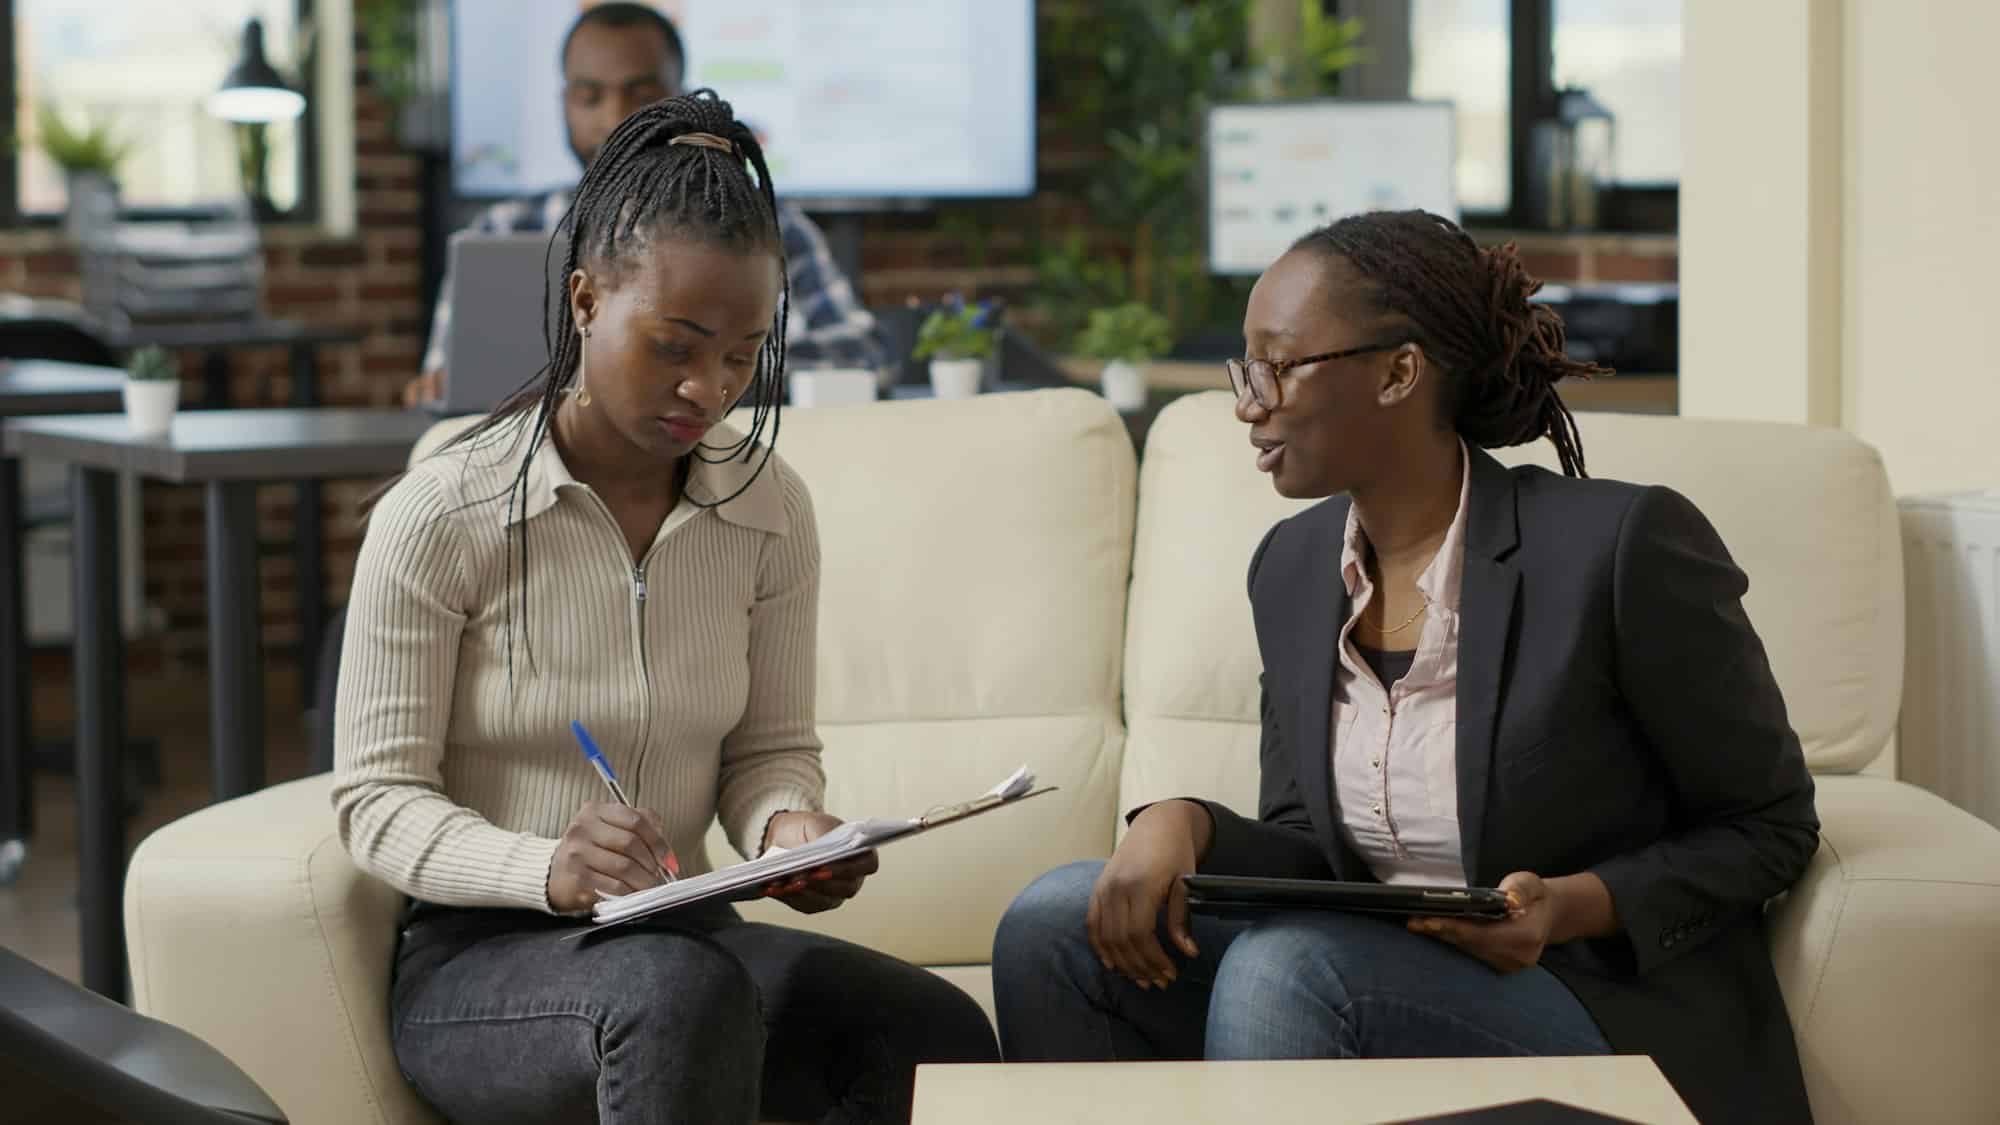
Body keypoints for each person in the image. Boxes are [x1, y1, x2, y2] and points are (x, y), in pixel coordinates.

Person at [990, 210, 1820, 1125]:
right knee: (1055, 922)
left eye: (1278, 363)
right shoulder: (1295, 567)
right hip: (1370, 969)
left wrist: (1569, 906)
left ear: (1398, 371)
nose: (1247, 401)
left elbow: (1770, 824)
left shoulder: (1618, 547)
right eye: (1245, 366)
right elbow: (1314, 844)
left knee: (1288, 967)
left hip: (1596, 1000)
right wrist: (1180, 823)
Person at [334, 90, 996, 1125]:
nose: (708, 389)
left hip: (682, 938)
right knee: (676, 996)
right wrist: (546, 868)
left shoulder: (767, 505)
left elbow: (769, 748)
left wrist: (786, 831)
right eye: (675, 344)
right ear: (587, 299)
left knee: (933, 1031)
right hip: (479, 960)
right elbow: (373, 804)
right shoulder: (444, 512)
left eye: (740, 356)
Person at [404, 2, 885, 408]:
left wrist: (712, 369)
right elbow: (446, 385)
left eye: (640, 93)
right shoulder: (501, 231)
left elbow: (860, 356)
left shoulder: (766, 225)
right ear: (564, 102)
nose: (614, 118)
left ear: (680, 96)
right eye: (590, 96)